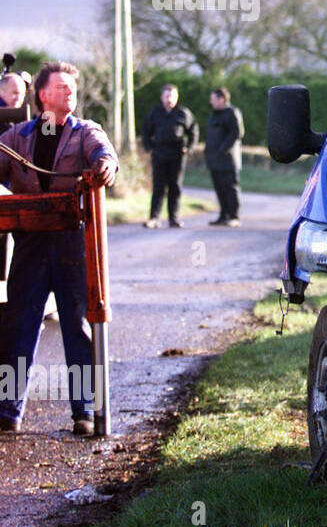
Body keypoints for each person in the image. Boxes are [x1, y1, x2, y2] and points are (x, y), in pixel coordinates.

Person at [0, 61, 118, 434]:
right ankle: (7, 411)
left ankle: (84, 412)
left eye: (73, 88)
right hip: (30, 242)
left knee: (79, 324)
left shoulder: (86, 132)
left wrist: (104, 166)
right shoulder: (17, 137)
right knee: (18, 324)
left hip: (72, 243)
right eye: (62, 87)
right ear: (42, 95)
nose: (70, 92)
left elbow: (106, 155)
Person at [141, 84, 196, 228]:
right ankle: (154, 217)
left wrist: (189, 148)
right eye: (167, 96)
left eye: (172, 96)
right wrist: (148, 147)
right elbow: (145, 130)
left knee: (175, 186)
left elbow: (193, 131)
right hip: (159, 153)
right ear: (162, 97)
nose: (170, 99)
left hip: (177, 154)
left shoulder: (183, 113)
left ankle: (174, 218)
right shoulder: (155, 113)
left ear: (177, 97)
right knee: (158, 187)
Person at [205, 87, 244, 227]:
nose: (211, 102)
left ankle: (234, 216)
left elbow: (236, 133)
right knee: (219, 187)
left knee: (230, 187)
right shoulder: (214, 114)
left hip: (228, 159)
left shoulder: (232, 113)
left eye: (213, 99)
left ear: (222, 99)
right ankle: (223, 215)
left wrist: (223, 149)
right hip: (214, 159)